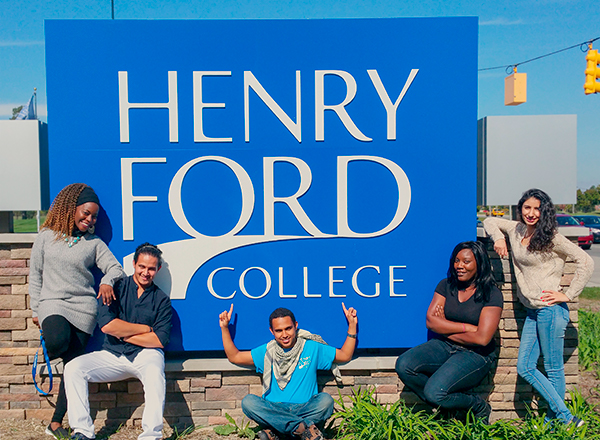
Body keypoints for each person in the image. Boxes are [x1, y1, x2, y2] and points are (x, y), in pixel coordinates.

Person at [484, 188, 594, 426]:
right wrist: (499, 239)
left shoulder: (551, 237)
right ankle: (563, 418)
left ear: (544, 211)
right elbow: (490, 221)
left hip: (550, 311)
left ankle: (561, 419)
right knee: (525, 367)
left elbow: (585, 260)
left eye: (537, 209)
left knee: (553, 369)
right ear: (520, 208)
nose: (531, 213)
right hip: (533, 312)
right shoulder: (516, 230)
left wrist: (567, 295)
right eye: (527, 208)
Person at [29, 183, 124, 439]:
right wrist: (35, 308)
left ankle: (56, 423)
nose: (89, 219)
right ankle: (51, 349)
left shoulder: (94, 244)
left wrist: (106, 280)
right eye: (86, 213)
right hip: (52, 303)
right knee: (57, 340)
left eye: (93, 216)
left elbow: (116, 268)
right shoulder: (46, 236)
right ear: (71, 208)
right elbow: (35, 274)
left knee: (72, 369)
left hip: (83, 311)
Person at [63, 243, 172, 440]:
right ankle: (83, 431)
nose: (146, 273)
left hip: (145, 354)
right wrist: (144, 329)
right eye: (142, 267)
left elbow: (159, 339)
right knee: (73, 368)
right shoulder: (115, 288)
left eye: (151, 268)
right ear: (134, 264)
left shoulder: (161, 300)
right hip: (113, 353)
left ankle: (151, 435)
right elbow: (107, 326)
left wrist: (123, 333)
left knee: (156, 371)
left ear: (158, 270)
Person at [395, 241, 503, 423]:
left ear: (479, 263)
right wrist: (465, 327)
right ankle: (445, 405)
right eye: (456, 260)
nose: (459, 266)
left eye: (466, 262)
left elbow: (483, 338)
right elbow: (431, 321)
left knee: (434, 392)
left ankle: (477, 405)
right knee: (404, 365)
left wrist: (444, 325)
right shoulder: (446, 285)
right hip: (445, 346)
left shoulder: (491, 293)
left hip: (476, 355)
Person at [219, 304, 358, 440]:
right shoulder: (267, 351)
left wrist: (352, 325)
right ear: (271, 331)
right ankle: (302, 429)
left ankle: (276, 431)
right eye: (279, 331)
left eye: (288, 328)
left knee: (325, 401)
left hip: (306, 407)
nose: (284, 334)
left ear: (296, 325)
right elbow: (235, 356)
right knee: (249, 403)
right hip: (274, 408)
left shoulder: (312, 347)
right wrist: (224, 328)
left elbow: (345, 355)